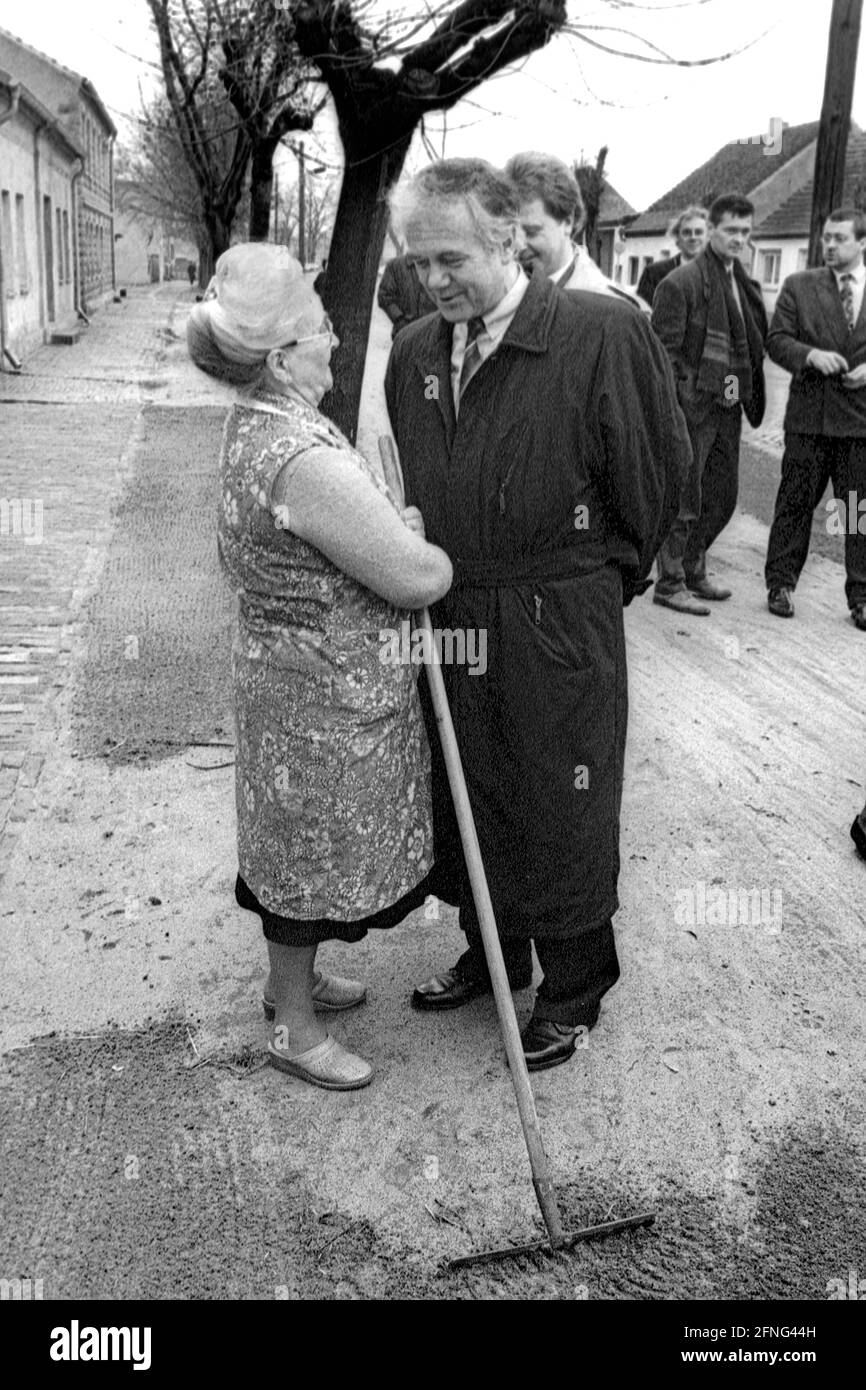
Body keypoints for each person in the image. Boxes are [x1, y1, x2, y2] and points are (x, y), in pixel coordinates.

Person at [384, 159, 690, 1071]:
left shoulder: (601, 333)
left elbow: (655, 484)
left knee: (562, 796)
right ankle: (492, 954)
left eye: (451, 260)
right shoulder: (412, 351)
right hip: (454, 612)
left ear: (508, 239)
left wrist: (592, 588)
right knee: (470, 787)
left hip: (559, 614)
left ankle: (573, 988)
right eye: (417, 263)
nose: (433, 281)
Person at [187, 243, 452, 1091]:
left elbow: (339, 530)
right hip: (322, 698)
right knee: (304, 861)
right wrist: (426, 551)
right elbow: (412, 575)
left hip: (293, 683)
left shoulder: (262, 424)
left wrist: (383, 519)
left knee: (296, 847)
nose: (336, 340)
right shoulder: (299, 455)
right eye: (317, 330)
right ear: (277, 357)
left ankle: (285, 987)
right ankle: (294, 1033)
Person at [651, 193, 768, 615]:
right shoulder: (679, 284)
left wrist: (734, 396)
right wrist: (684, 403)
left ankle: (695, 567)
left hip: (728, 402)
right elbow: (662, 356)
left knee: (721, 494)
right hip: (693, 407)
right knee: (685, 496)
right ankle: (670, 581)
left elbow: (749, 345)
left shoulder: (743, 283)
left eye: (746, 232)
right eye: (732, 230)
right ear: (712, 230)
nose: (739, 239)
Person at [763, 207, 866, 630]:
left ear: (862, 242)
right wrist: (810, 355)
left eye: (840, 238)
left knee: (856, 510)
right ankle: (780, 584)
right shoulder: (799, 286)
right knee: (795, 504)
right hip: (808, 422)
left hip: (858, 426)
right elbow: (776, 341)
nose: (829, 245)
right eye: (826, 237)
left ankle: (861, 595)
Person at [504, 150, 649, 311]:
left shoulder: (613, 310)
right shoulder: (492, 297)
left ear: (568, 222)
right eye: (509, 233)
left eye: (531, 232)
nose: (518, 245)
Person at [636, 206, 709, 306]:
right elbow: (643, 315)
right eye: (686, 232)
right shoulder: (653, 274)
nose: (693, 237)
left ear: (709, 238)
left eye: (699, 232)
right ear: (677, 239)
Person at [377, 250, 435, 338]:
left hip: (432, 335)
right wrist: (399, 319)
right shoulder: (395, 265)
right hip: (403, 334)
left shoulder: (437, 266)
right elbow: (384, 295)